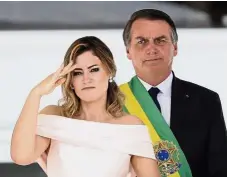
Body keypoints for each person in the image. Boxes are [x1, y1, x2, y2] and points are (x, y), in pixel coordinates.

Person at [10, 36, 161, 177]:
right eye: (77, 73)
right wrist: (36, 93)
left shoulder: (131, 126)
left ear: (109, 72)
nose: (86, 79)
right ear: (70, 80)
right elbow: (21, 156)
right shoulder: (54, 117)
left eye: (94, 69)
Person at [120, 9, 227, 177]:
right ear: (128, 51)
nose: (151, 49)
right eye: (141, 41)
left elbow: (220, 169)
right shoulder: (113, 101)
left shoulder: (206, 101)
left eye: (160, 40)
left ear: (175, 47)